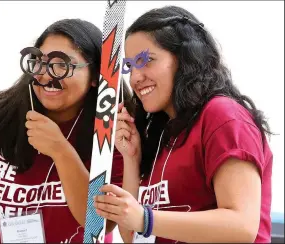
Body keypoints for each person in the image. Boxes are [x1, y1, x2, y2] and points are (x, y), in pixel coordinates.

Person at [0, 18, 131, 243]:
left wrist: (61, 151)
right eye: (39, 62)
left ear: (97, 76)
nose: (46, 76)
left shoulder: (114, 133)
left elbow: (101, 224)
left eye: (61, 65)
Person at [93, 6, 273, 243]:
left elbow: (242, 227)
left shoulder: (222, 114)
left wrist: (146, 219)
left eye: (146, 60)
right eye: (130, 66)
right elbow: (129, 234)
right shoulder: (160, 131)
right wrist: (132, 158)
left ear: (184, 58)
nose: (135, 77)